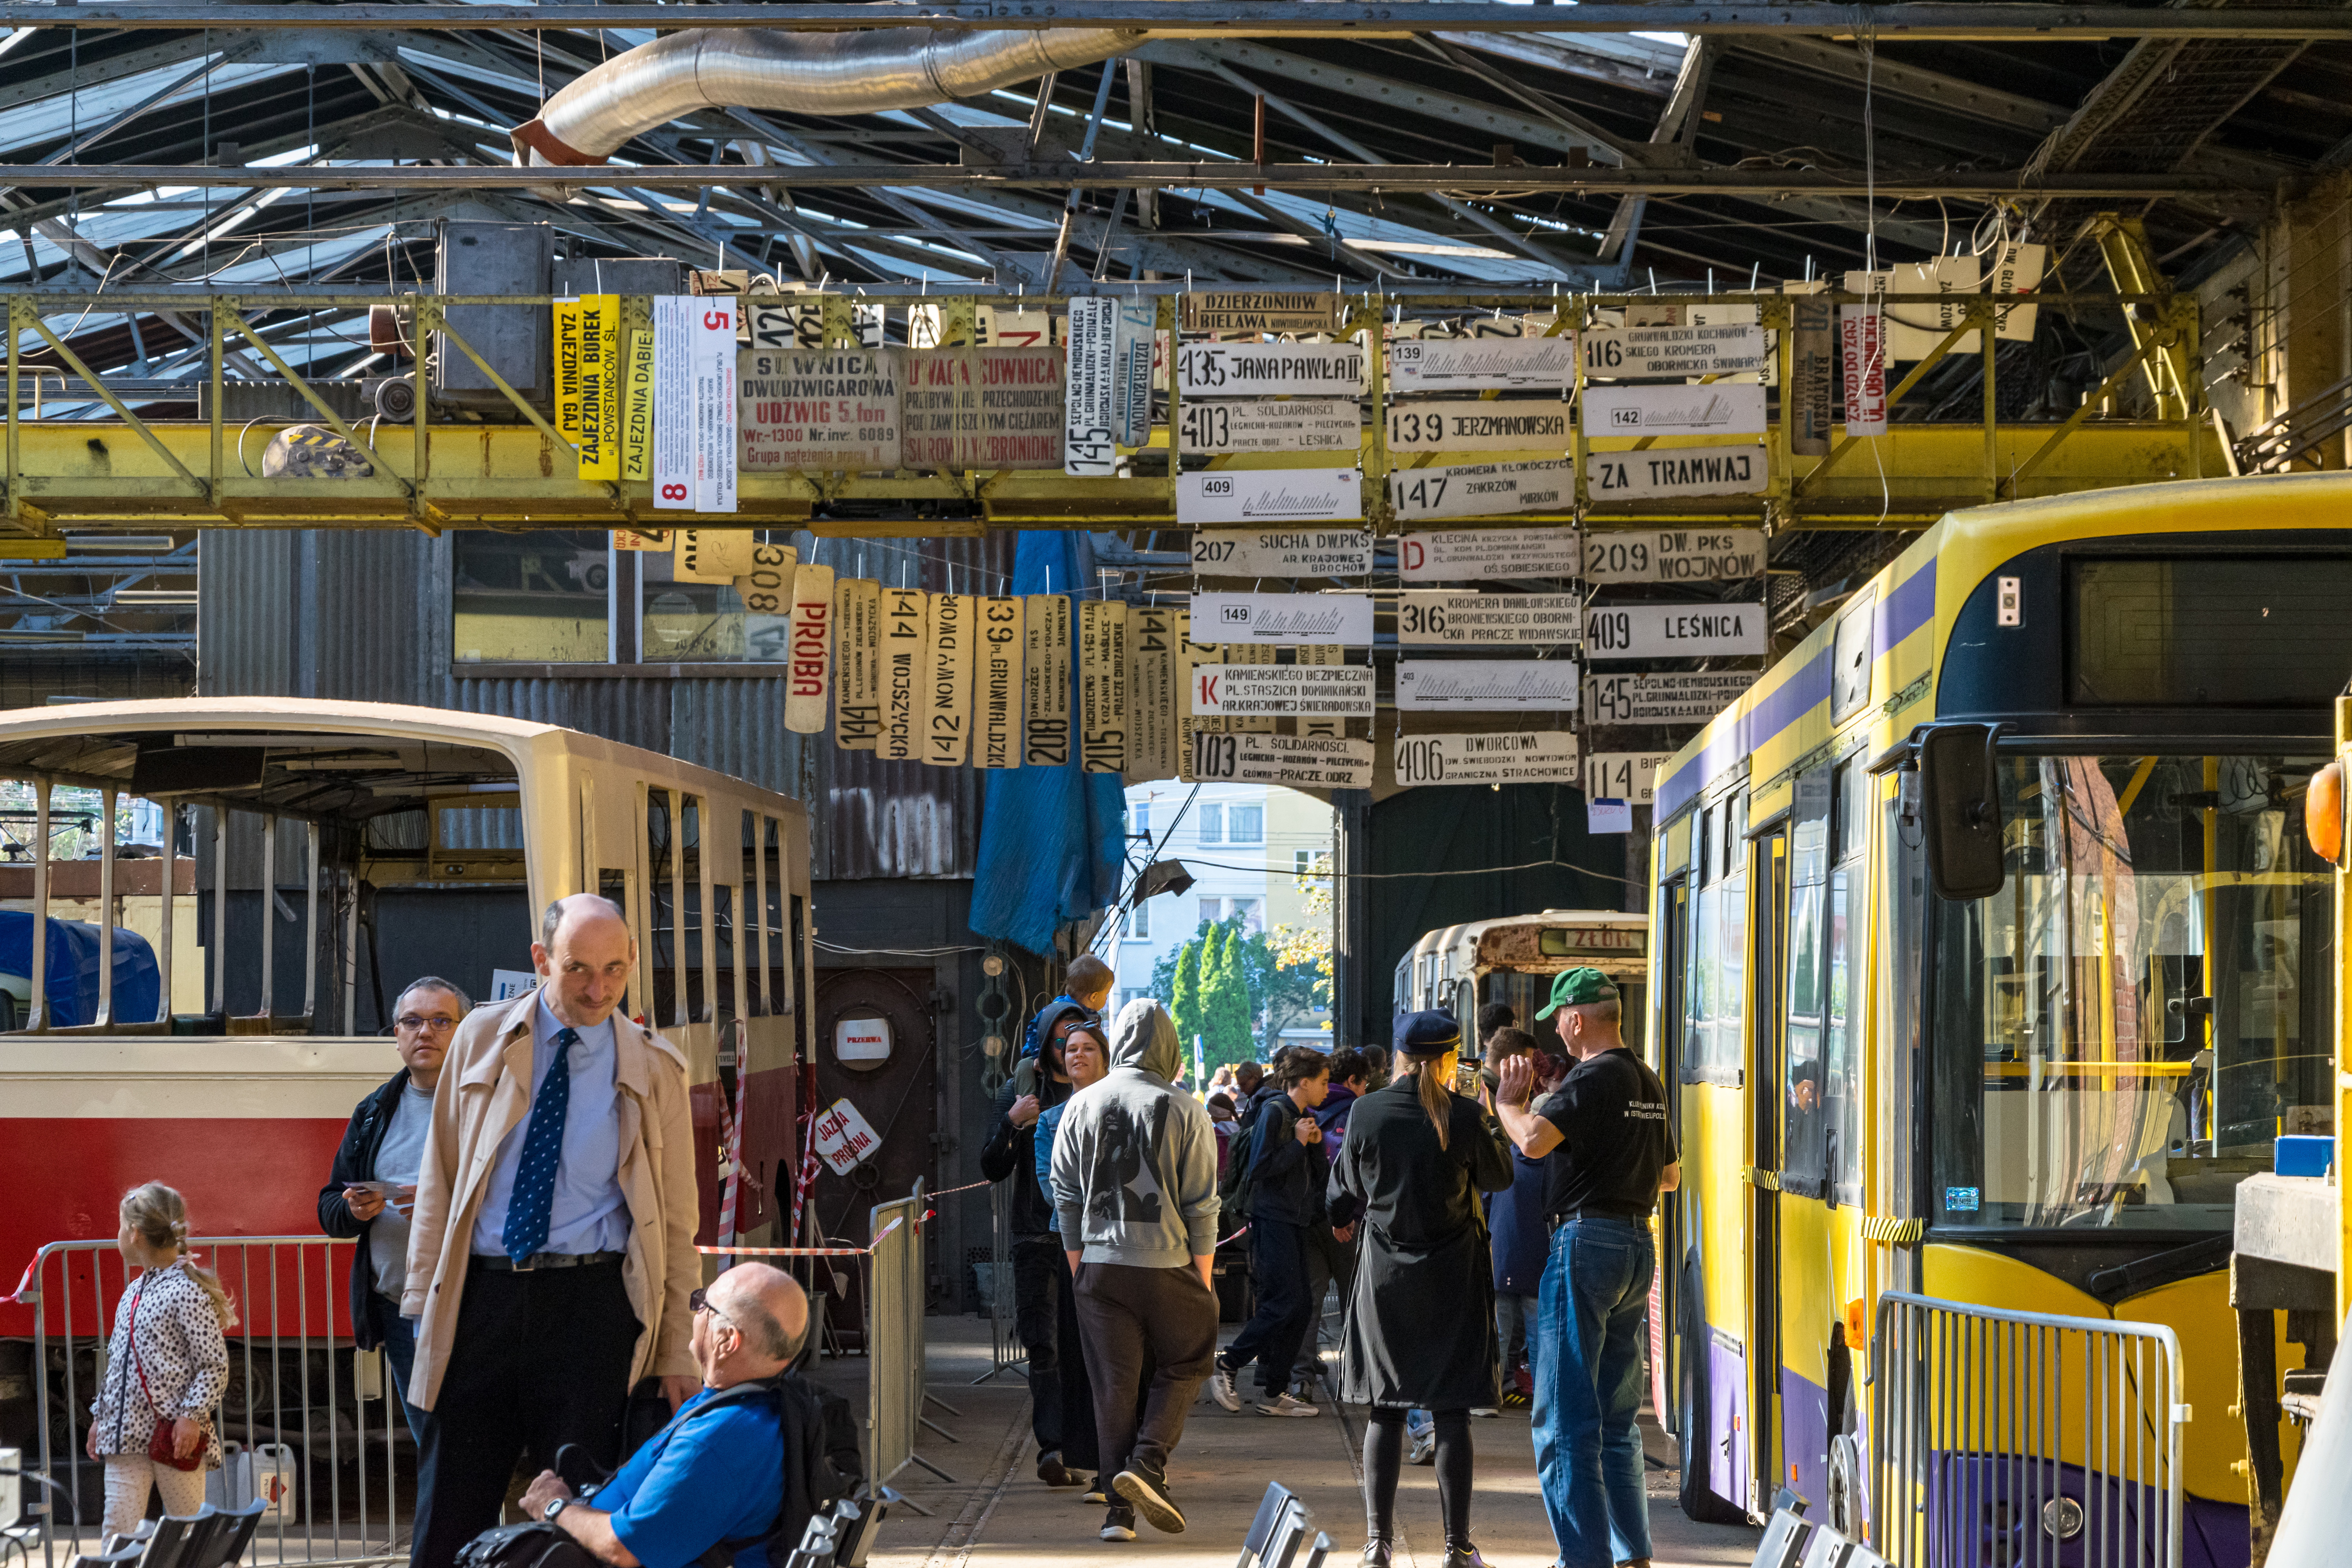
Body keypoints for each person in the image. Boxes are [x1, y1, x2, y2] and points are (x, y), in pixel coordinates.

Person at [403, 895, 702, 1568]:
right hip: (481, 1299)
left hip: (591, 1306)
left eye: (615, 970)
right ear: (541, 960)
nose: (598, 989)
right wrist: (423, 1305)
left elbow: (678, 1221)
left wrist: (677, 1345)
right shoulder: (479, 1037)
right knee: (450, 1510)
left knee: (577, 1513)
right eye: (578, 969)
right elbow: (439, 1178)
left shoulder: (657, 1068)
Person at [1493, 968, 1680, 1568]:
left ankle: (1583, 1558)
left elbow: (1533, 1142)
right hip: (1635, 1243)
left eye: (1557, 1017)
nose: (1554, 1027)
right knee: (1616, 1417)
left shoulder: (1591, 1078)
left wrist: (1507, 1103)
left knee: (1562, 1417)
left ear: (1576, 1019)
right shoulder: (1645, 1078)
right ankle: (1631, 1553)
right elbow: (1670, 1175)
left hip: (1585, 1242)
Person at [1329, 1012, 1513, 1568]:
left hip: (1386, 1278)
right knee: (1450, 1410)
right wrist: (1491, 1110)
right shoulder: (1465, 1114)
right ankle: (1458, 1546)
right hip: (1452, 1277)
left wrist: (1349, 1212)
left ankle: (1376, 1543)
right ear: (1451, 1057)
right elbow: (1500, 1175)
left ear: (1402, 1054)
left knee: (1385, 1408)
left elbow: (1345, 1188)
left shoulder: (1367, 1110)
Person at [514, 1264, 834, 1568]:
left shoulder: (718, 1441)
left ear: (727, 1340)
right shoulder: (764, 1404)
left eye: (704, 1304)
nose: (695, 1312)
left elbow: (622, 1547)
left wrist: (553, 1506)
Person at [1050, 1000, 1221, 1542]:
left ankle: (1116, 1514)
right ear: (1168, 1046)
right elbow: (1202, 1204)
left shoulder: (1082, 1103)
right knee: (1190, 1357)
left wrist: (1080, 1265)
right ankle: (1147, 1463)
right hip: (1168, 1261)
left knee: (1113, 1385)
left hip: (1099, 1267)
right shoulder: (1187, 1108)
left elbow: (1065, 1193)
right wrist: (1204, 1277)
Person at [319, 976, 470, 1444]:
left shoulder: (483, 1102)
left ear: (465, 1031)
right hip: (400, 1306)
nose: (425, 1031)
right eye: (412, 1020)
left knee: (471, 1442)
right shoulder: (374, 1111)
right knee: (432, 1441)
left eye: (441, 1020)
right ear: (397, 1035)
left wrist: (437, 1201)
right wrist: (355, 1210)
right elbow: (328, 1206)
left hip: (470, 1303)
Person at [978, 995, 1093, 1487]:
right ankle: (1053, 1446)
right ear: (1047, 1045)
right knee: (1042, 1344)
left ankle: (1091, 1448)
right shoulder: (1022, 1091)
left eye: (1081, 1041)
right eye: (1063, 1040)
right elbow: (991, 1165)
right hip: (1036, 1236)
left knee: (1088, 1347)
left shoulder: (1103, 1094)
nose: (1072, 1050)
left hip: (1091, 1240)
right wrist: (1011, 1122)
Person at [88, 1183, 233, 1538]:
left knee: (187, 1529)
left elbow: (213, 1364)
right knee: (117, 1529)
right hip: (125, 1436)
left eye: (121, 1226)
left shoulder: (186, 1290)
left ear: (135, 1233)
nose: (118, 1235)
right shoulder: (134, 1291)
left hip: (173, 1438)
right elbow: (118, 1367)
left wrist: (191, 1415)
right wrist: (101, 1418)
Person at [1209, 1050, 1331, 1418]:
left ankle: (1274, 1391)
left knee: (1300, 1304)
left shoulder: (1299, 1116)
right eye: (1324, 1082)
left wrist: (1311, 1144)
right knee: (1283, 1302)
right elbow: (1260, 1168)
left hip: (1292, 1220)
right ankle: (1229, 1364)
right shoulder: (1276, 1111)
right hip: (1271, 1218)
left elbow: (1311, 1172)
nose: (1328, 1089)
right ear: (1304, 1082)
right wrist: (1297, 1143)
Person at [1292, 1047, 1371, 1395]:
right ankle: (1356, 1378)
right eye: (1365, 1083)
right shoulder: (1359, 1110)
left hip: (1308, 1218)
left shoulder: (1303, 1109)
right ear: (1352, 1081)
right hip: (1347, 1219)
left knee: (1311, 1299)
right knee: (1354, 1301)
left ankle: (1302, 1380)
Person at [1480, 1028, 1547, 1408]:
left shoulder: (1506, 1163)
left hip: (1499, 1258)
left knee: (1497, 1333)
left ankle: (1487, 1396)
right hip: (1538, 1266)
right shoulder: (1551, 1168)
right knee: (1539, 1335)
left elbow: (1487, 1201)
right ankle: (1543, 1401)